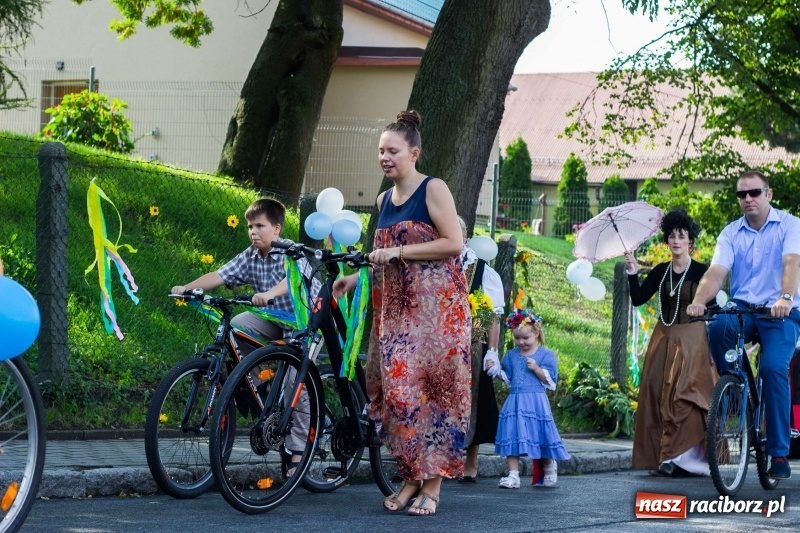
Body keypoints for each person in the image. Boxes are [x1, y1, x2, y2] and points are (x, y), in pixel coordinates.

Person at [333, 110, 470, 516]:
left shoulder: (433, 189)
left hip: (438, 315)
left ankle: (432, 487)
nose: (385, 157)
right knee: (400, 397)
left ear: (414, 153)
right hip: (396, 316)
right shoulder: (382, 200)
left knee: (435, 397)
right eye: (381, 151)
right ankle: (412, 477)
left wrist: (400, 251)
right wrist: (353, 279)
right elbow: (382, 257)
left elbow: (453, 243)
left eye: (393, 151)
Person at [170, 197, 319, 476]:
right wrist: (187, 288)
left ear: (276, 229)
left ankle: (298, 451)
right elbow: (219, 275)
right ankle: (261, 383)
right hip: (274, 319)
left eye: (259, 226)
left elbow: (292, 280)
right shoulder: (250, 255)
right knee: (237, 326)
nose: (253, 232)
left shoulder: (290, 251)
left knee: (294, 385)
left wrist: (269, 294)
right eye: (250, 226)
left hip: (304, 322)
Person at [686, 170, 800, 479]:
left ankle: (779, 452)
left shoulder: (790, 225)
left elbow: (792, 263)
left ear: (768, 195)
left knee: (773, 368)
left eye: (755, 192)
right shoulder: (731, 232)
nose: (748, 198)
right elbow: (716, 271)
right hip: (744, 309)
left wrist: (785, 297)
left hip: (781, 312)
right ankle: (738, 390)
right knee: (718, 326)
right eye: (742, 194)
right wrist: (699, 301)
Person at [623, 207, 717, 477]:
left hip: (693, 339)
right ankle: (665, 458)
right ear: (666, 240)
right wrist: (632, 273)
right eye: (672, 236)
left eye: (682, 236)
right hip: (663, 339)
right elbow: (638, 299)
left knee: (684, 395)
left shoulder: (702, 271)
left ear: (690, 241)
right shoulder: (661, 271)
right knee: (659, 395)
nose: (676, 241)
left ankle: (687, 459)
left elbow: (713, 307)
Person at [486, 308, 570, 488]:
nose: (521, 342)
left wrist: (537, 369)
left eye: (526, 338)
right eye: (517, 338)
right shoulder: (511, 355)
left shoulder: (546, 355)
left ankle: (548, 465)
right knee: (512, 434)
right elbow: (508, 377)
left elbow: (550, 381)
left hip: (536, 402)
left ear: (537, 333)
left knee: (540, 435)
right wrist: (495, 370)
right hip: (515, 401)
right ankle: (513, 475)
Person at [457, 216, 505, 483]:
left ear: (465, 238)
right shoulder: (434, 265)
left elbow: (491, 315)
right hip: (438, 344)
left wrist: (492, 351)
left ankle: (471, 459)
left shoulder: (480, 270)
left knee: (472, 399)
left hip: (471, 344)